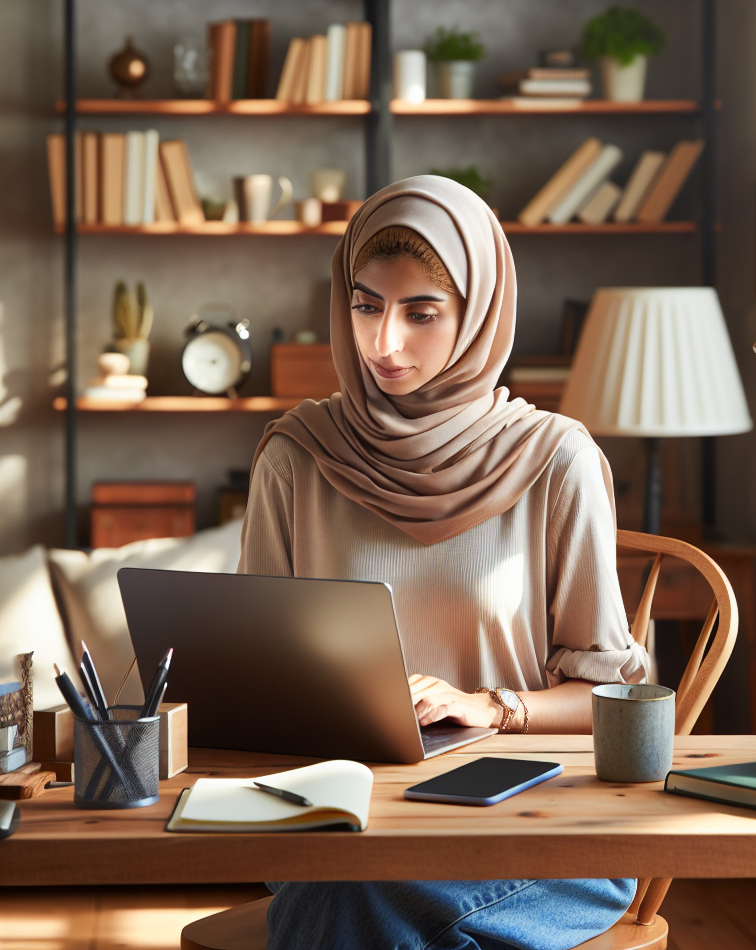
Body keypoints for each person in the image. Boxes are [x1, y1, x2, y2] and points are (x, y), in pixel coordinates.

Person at [239, 175, 649, 950]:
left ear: (478, 314)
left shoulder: (555, 459)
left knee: (348, 905)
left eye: (421, 313)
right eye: (366, 306)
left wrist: (491, 706)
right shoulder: (298, 455)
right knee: (354, 885)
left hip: (538, 823)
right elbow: (253, 671)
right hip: (349, 817)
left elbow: (612, 700)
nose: (382, 343)